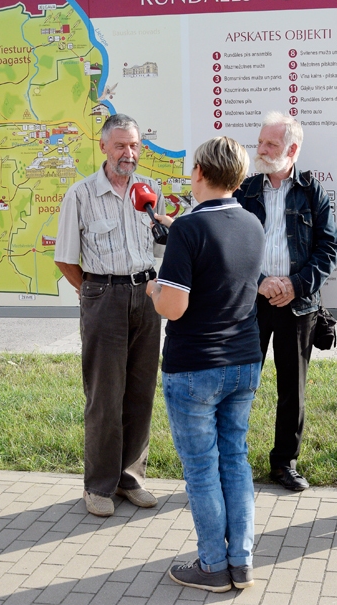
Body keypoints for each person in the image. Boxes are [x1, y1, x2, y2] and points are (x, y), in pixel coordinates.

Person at [146, 136, 265, 593]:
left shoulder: (188, 231)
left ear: (198, 172)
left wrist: (154, 287)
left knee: (200, 467)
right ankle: (241, 562)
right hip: (243, 361)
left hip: (195, 365)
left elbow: (173, 307)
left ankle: (212, 565)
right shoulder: (252, 223)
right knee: (235, 459)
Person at [54, 114, 164, 517]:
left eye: (134, 145)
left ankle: (130, 478)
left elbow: (162, 248)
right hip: (104, 296)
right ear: (103, 147)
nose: (129, 153)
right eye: (120, 146)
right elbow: (66, 259)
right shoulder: (81, 195)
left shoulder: (150, 192)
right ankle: (98, 485)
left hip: (147, 296)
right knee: (104, 395)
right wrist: (94, 295)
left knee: (140, 391)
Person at [234, 111, 337, 492]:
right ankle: (234, 462)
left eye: (271, 144)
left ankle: (284, 463)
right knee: (241, 384)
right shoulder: (243, 190)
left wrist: (295, 285)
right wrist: (261, 283)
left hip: (299, 306)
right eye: (261, 142)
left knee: (292, 388)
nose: (261, 150)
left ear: (292, 149)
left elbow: (329, 249)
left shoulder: (313, 193)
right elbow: (231, 247)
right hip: (251, 302)